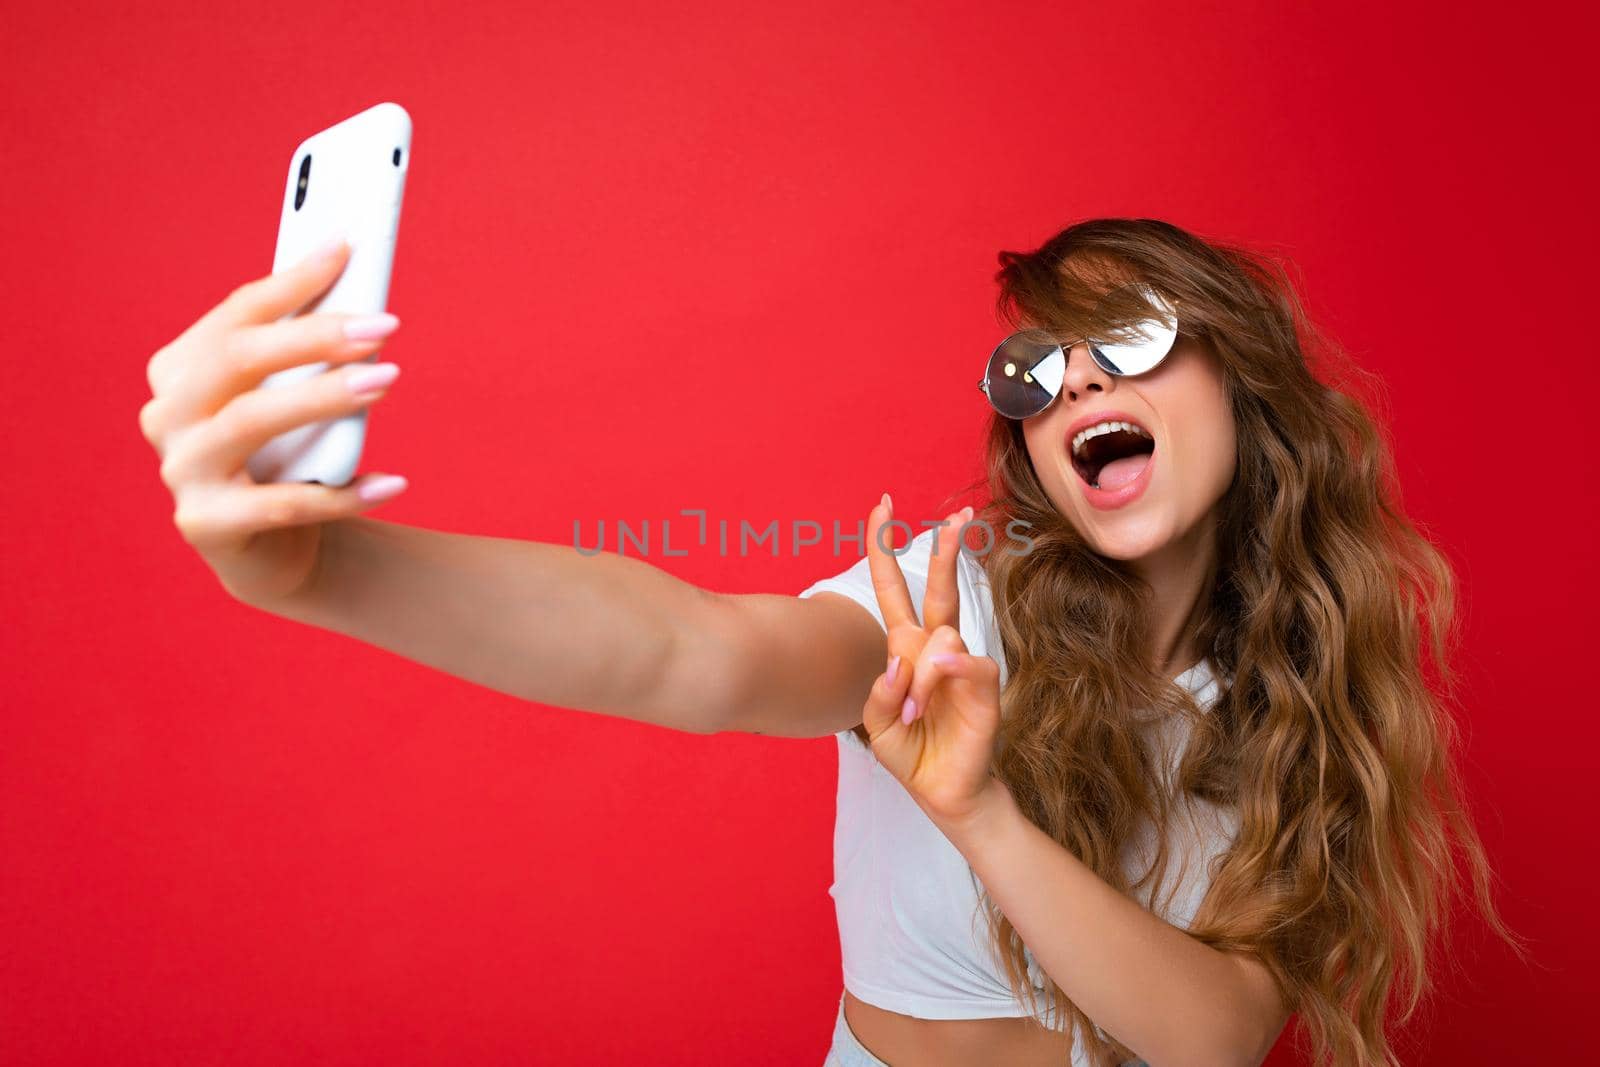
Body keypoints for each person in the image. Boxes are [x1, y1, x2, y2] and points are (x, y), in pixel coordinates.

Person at [138, 217, 1518, 1066]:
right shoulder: (945, 603)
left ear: (1242, 372)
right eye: (1033, 369)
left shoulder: (1302, 683)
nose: (1077, 377)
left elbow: (1213, 1040)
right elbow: (696, 653)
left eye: (1136, 335)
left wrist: (983, 817)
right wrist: (325, 569)